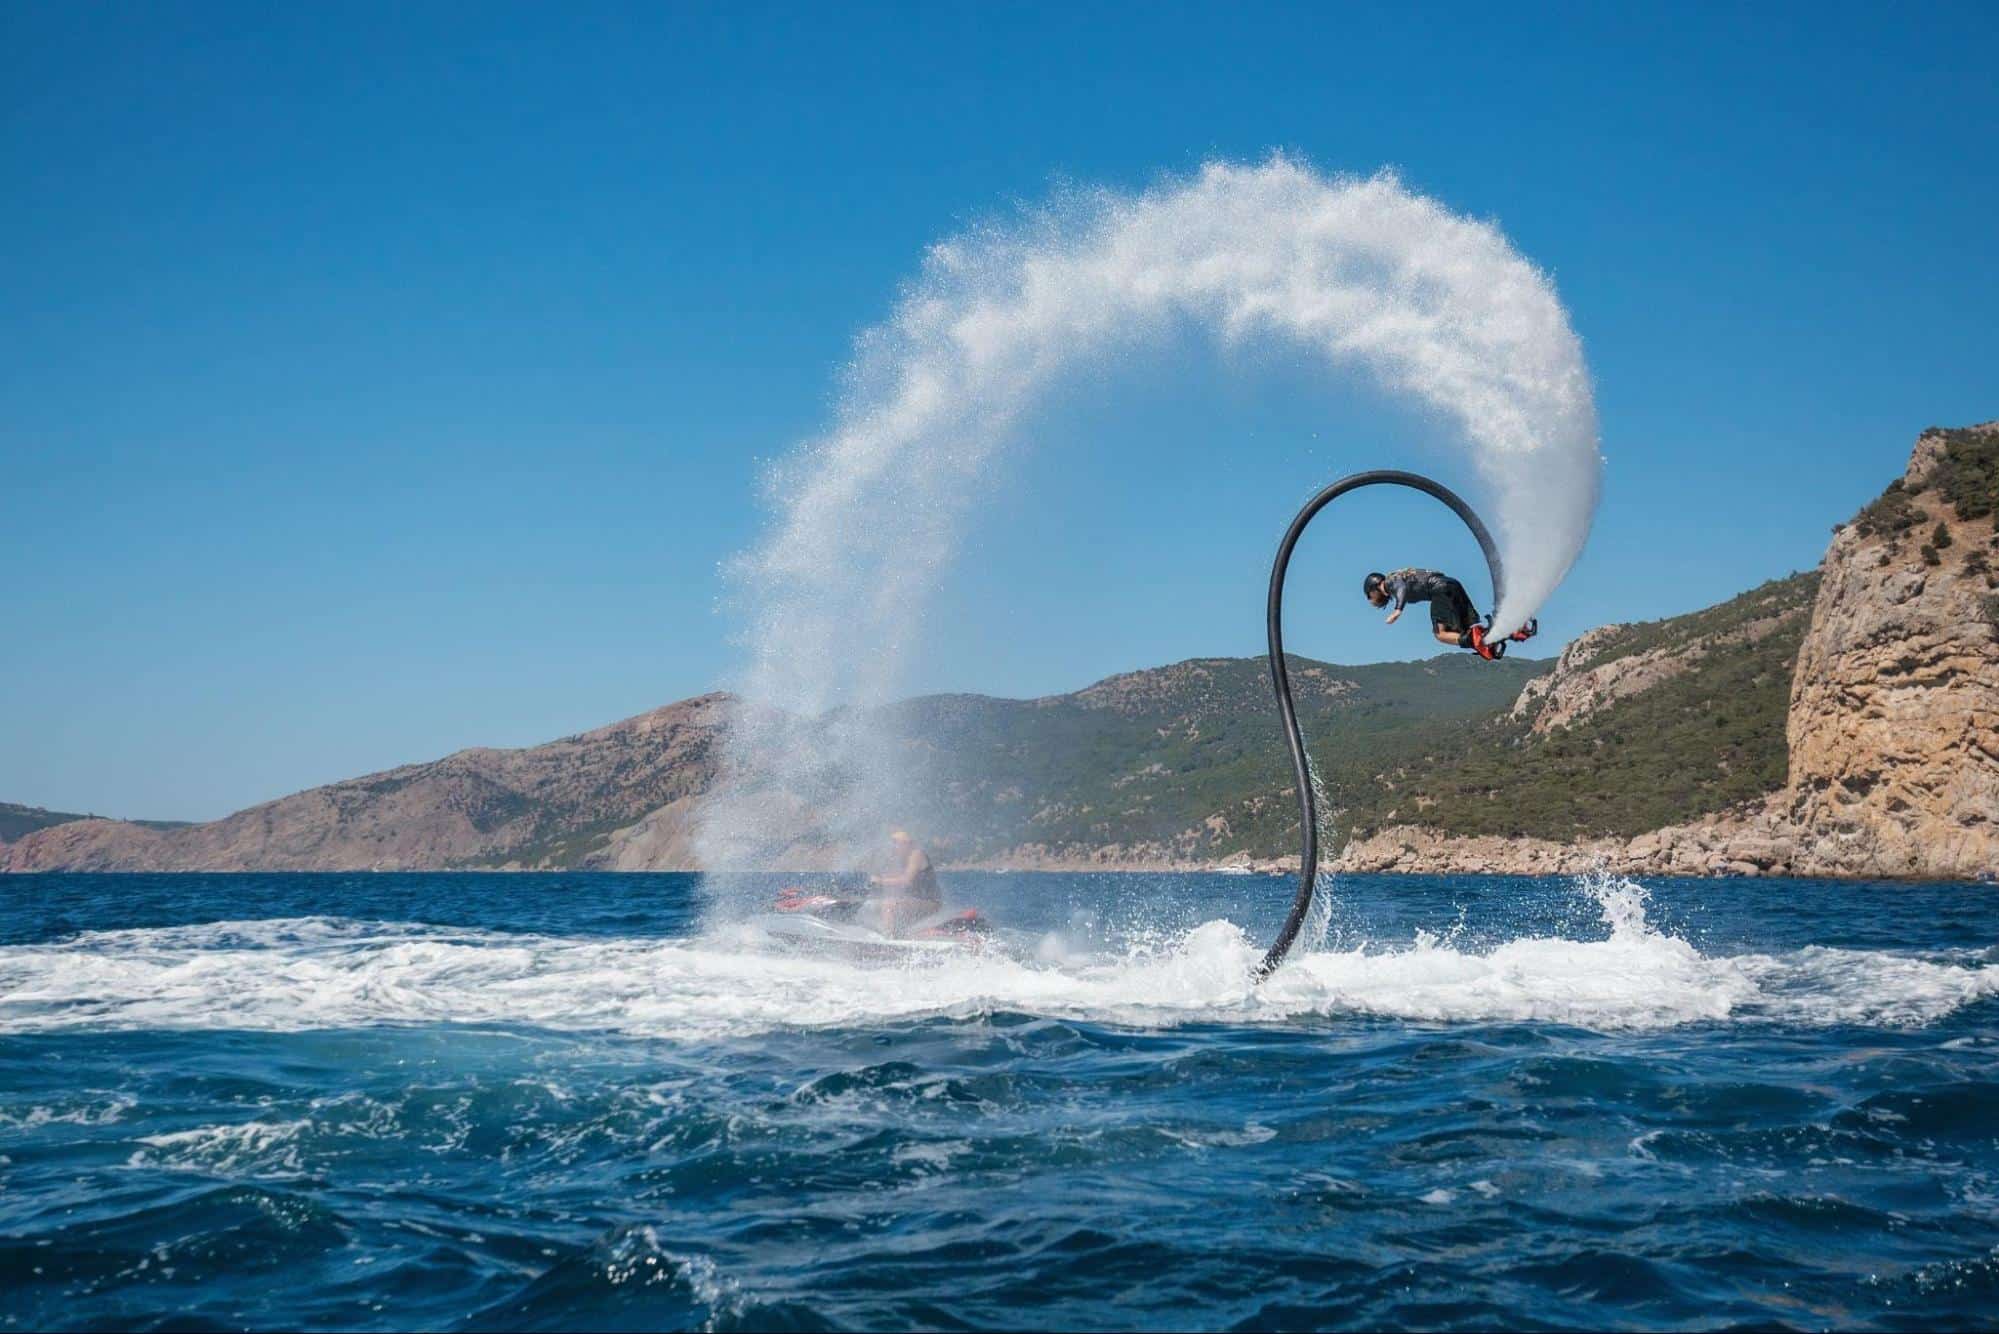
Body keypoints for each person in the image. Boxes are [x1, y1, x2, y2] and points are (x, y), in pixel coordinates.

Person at [1362, 568, 1533, 660]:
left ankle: (1475, 641)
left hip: (1439, 590)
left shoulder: (1391, 582)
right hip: (1452, 585)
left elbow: (1401, 588)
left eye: (1370, 596)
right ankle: (1510, 630)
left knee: (1440, 634)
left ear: (1374, 587)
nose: (1372, 600)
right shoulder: (1397, 576)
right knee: (1467, 629)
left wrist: (1397, 610)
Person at [868, 829, 942, 936]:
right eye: (892, 843)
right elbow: (893, 885)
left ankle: (888, 939)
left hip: (930, 902)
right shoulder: (900, 859)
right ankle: (897, 934)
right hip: (913, 901)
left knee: (889, 905)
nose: (893, 846)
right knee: (873, 905)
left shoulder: (916, 854)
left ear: (907, 844)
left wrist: (880, 881)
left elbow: (906, 881)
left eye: (896, 843)